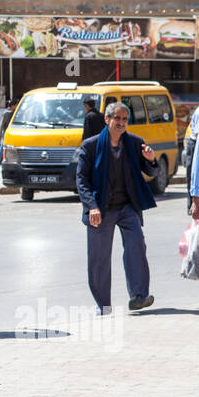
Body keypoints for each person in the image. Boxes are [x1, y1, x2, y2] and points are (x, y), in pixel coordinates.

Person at [76, 100, 159, 314]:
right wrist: (91, 206)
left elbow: (152, 173)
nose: (121, 122)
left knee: (136, 245)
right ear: (107, 119)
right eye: (117, 118)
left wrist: (151, 160)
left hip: (127, 207)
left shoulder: (134, 143)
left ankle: (139, 296)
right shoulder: (91, 146)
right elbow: (82, 181)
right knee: (99, 258)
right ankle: (103, 305)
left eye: (125, 119)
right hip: (100, 209)